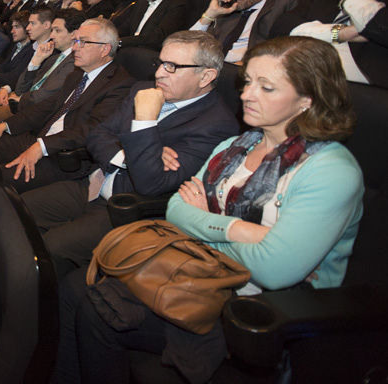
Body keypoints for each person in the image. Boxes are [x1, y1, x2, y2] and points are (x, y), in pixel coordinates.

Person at [65, 36, 363, 384]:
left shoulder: (329, 170)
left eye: (266, 87)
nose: (246, 95)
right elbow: (176, 208)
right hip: (201, 275)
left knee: (95, 311)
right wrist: (238, 229)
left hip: (258, 313)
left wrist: (205, 221)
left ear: (307, 99)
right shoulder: (237, 144)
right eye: (248, 82)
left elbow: (273, 270)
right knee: (78, 289)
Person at [23, 30, 239, 278]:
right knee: (20, 211)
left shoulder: (218, 125)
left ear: (206, 76)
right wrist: (127, 157)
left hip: (127, 208)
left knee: (50, 249)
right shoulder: (143, 88)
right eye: (160, 63)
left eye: (172, 67)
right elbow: (97, 134)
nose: (159, 73)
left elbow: (151, 182)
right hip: (94, 182)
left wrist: (144, 122)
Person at [0, 18, 134, 193]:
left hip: (64, 158)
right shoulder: (78, 74)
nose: (75, 47)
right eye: (76, 41)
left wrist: (42, 147)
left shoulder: (121, 84)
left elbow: (92, 130)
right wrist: (5, 126)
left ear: (105, 49)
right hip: (40, 139)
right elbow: (48, 106)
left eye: (82, 42)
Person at [191, 0, 307, 63]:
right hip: (214, 66)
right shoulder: (227, 10)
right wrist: (210, 14)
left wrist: (248, 64)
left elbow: (291, 48)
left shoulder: (282, 4)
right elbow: (189, 44)